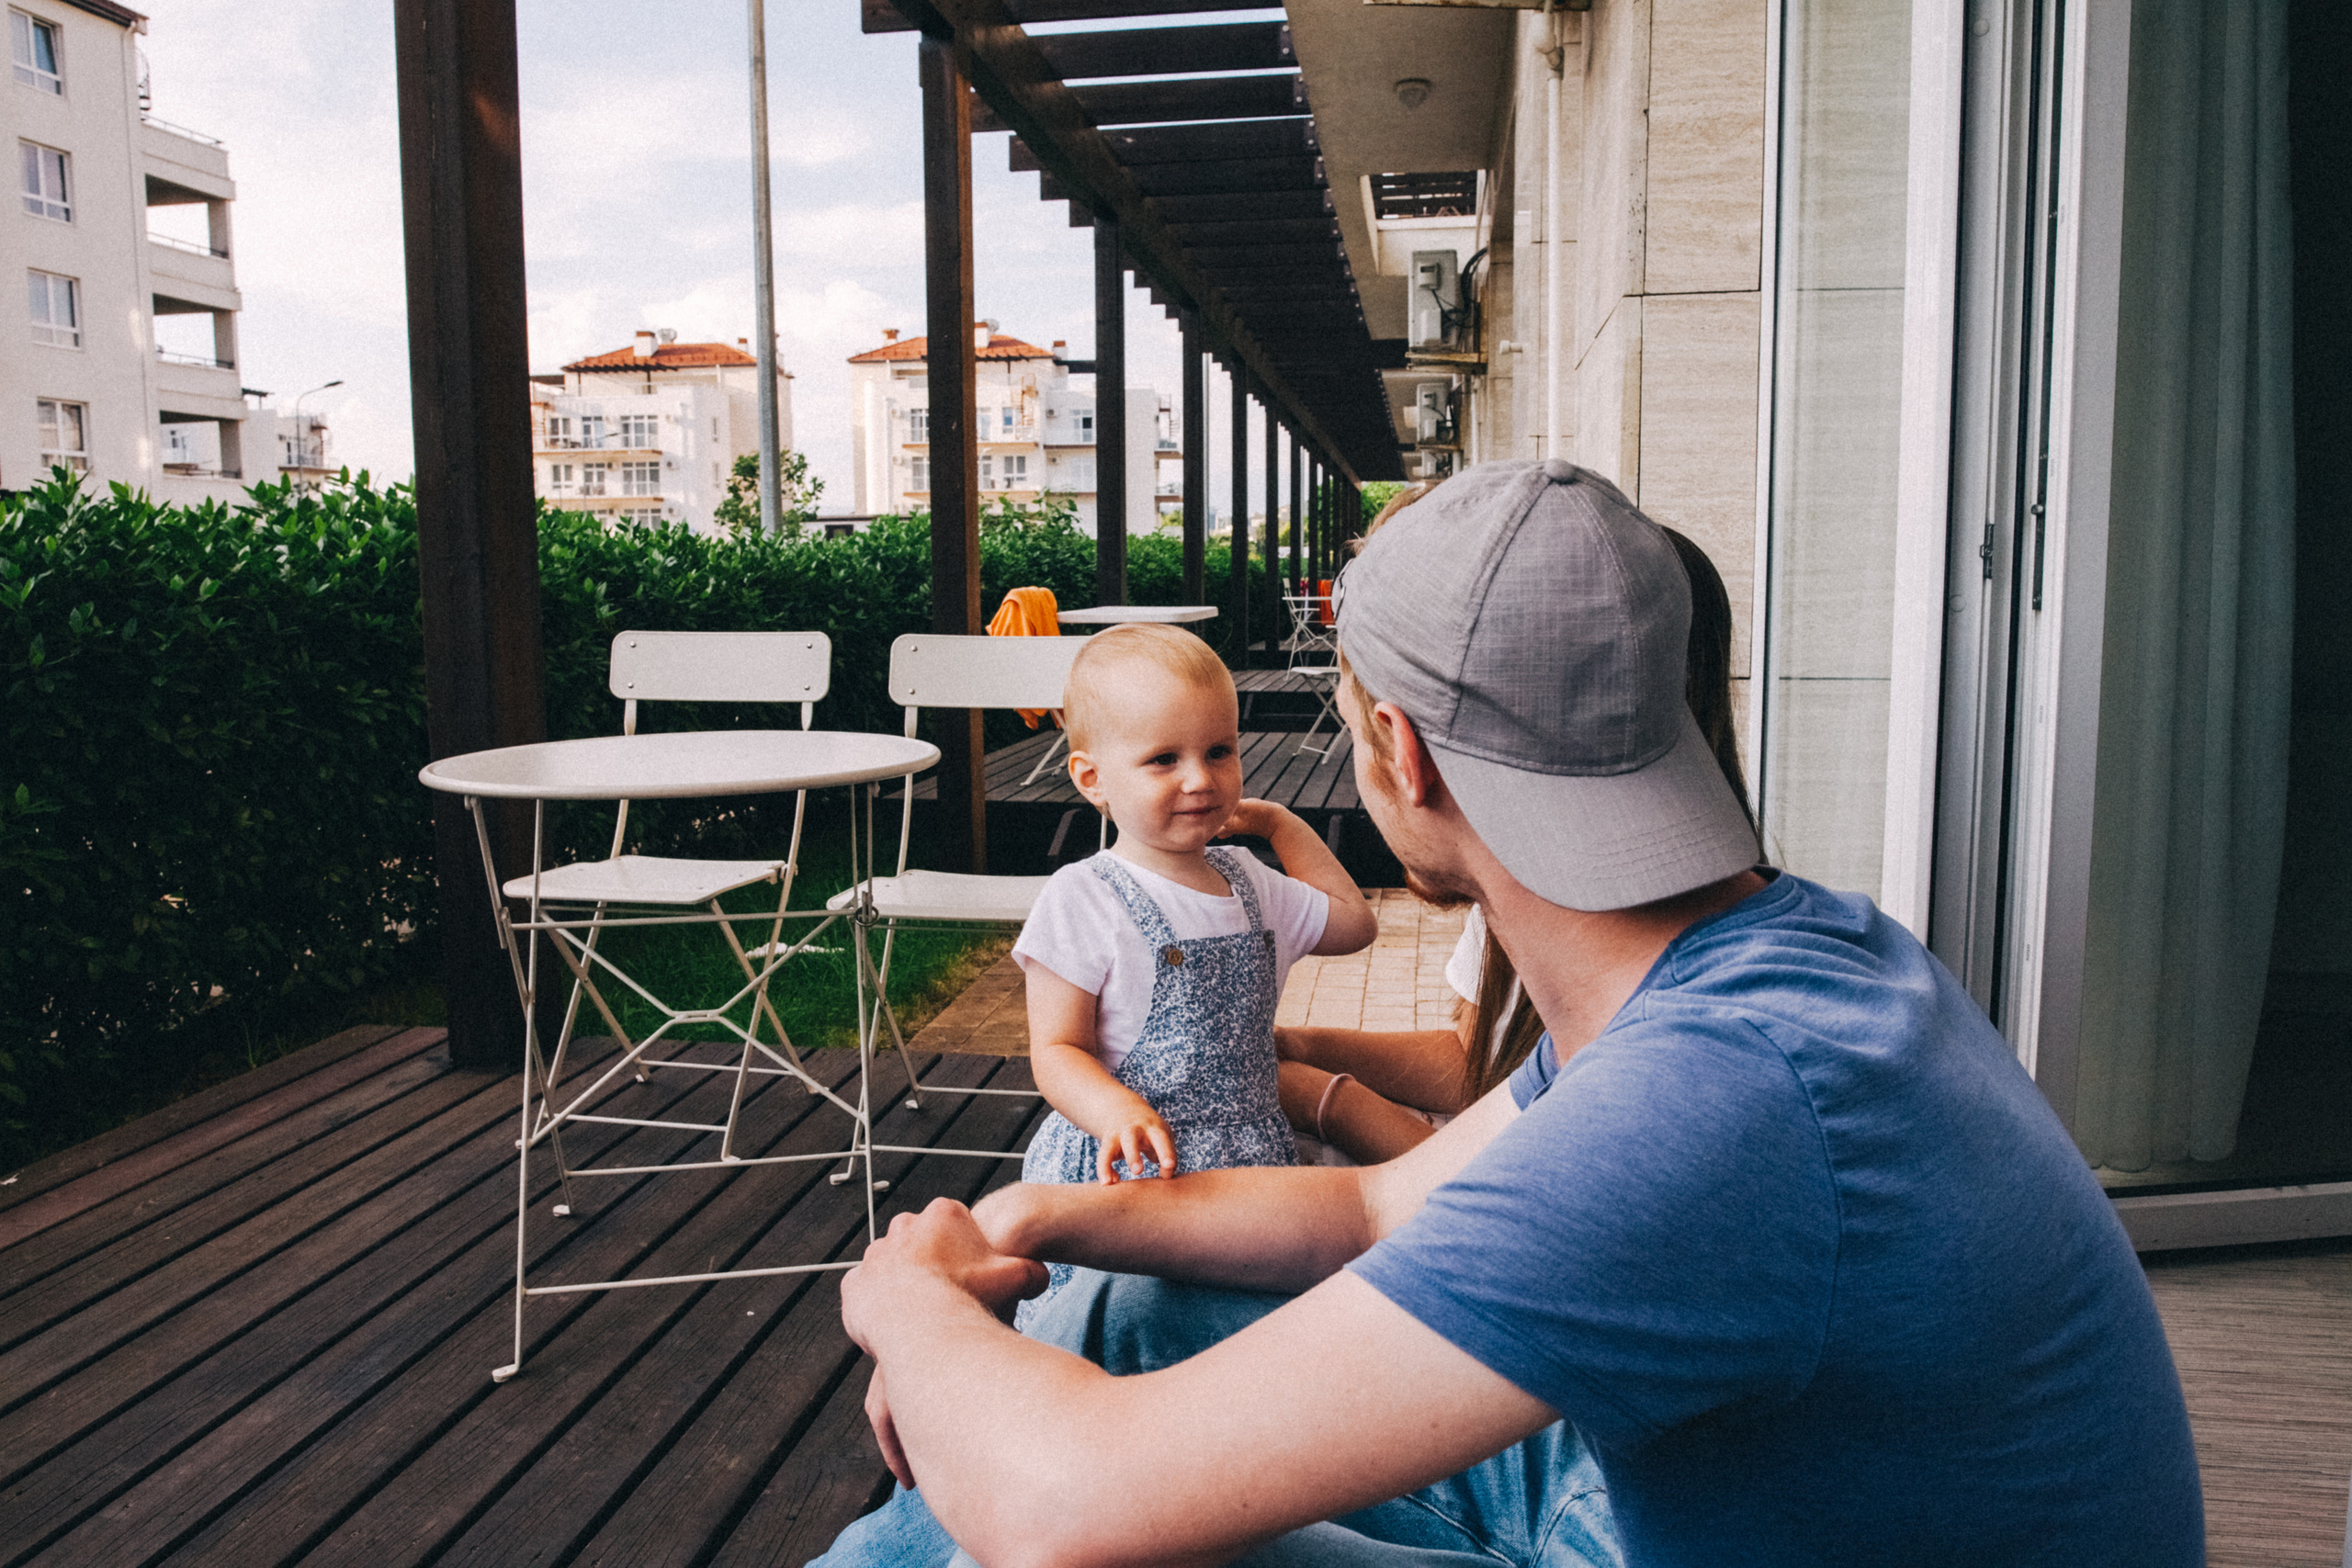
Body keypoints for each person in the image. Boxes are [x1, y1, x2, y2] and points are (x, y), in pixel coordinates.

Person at [817, 459, 2202, 1567]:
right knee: (1116, 1310)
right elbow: (1370, 1208)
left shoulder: (1710, 1101)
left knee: (1052, 1513)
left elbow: (1065, 1506)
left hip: (1622, 1522)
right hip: (1686, 1490)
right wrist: (1029, 1219)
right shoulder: (1771, 960)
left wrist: (907, 1302)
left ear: (1395, 749)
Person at [1280, 525, 1752, 1165]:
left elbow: (1487, 1188)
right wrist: (1297, 1051)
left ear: (1403, 747)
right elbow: (1483, 1064)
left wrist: (1321, 1097)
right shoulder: (1536, 898)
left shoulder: (1658, 1030)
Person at [1012, 624, 1377, 1312]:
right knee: (1130, 1326)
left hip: (1249, 1164)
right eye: (1162, 759)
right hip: (1134, 1168)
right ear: (1092, 778)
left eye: (1219, 750)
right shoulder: (1084, 896)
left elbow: (1354, 923)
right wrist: (1112, 1108)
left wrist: (1279, 827)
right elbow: (1056, 1050)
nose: (1200, 779)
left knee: (1240, 1331)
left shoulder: (1248, 880)